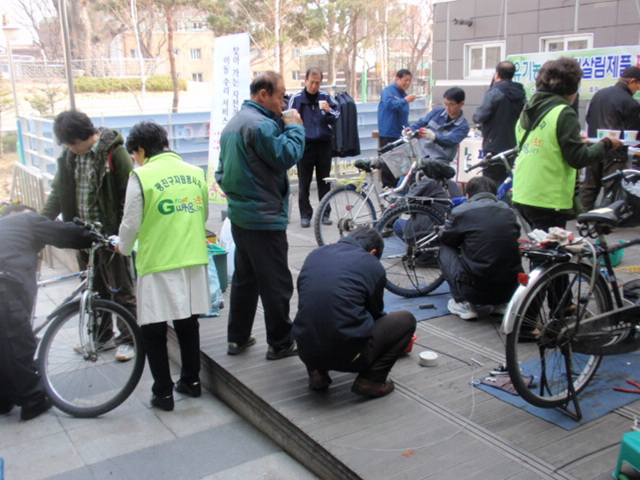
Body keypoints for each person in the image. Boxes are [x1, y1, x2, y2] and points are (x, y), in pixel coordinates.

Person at [115, 121, 210, 412]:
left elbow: (130, 222)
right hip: (193, 257)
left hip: (158, 261)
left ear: (141, 150)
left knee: (153, 330)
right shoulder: (195, 173)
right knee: (187, 322)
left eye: (134, 154)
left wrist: (123, 246)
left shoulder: (141, 177)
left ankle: (163, 393)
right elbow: (202, 214)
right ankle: (192, 382)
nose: (134, 159)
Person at [215, 72, 305, 361]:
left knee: (245, 279)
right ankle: (280, 342)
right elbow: (285, 156)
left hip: (240, 216)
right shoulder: (261, 125)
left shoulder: (234, 123)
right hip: (264, 218)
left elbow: (220, 174)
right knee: (276, 282)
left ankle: (237, 338)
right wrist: (295, 128)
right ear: (263, 94)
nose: (283, 103)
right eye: (280, 96)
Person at [41, 110, 137, 362]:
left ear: (87, 135)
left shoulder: (114, 154)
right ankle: (102, 336)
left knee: (122, 289)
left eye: (73, 143)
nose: (71, 148)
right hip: (83, 235)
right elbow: (57, 194)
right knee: (94, 289)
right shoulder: (69, 158)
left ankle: (129, 339)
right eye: (67, 144)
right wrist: (39, 223)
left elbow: (129, 196)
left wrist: (120, 235)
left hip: (110, 237)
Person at [293, 227, 416, 398]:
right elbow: (375, 313)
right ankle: (371, 380)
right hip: (351, 357)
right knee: (406, 320)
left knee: (315, 314)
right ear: (373, 252)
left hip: (306, 350)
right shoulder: (371, 263)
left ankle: (317, 373)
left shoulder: (316, 254)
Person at [0, 204, 95, 420]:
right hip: (6, 286)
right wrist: (91, 237)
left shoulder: (5, 226)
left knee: (4, 343)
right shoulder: (25, 219)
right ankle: (32, 400)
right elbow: (60, 232)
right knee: (19, 342)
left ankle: (4, 399)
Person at [512, 57, 623, 232]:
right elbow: (578, 158)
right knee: (551, 254)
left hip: (523, 192)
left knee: (539, 251)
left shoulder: (528, 110)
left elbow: (547, 145)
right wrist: (606, 144)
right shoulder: (563, 112)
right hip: (548, 197)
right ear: (571, 87)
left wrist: (579, 143)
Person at [438, 177, 522, 320]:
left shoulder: (461, 211)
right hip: (510, 289)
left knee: (444, 250)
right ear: (495, 195)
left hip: (474, 290)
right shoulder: (509, 211)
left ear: (468, 196)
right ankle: (501, 304)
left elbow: (446, 238)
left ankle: (464, 304)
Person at [580, 66, 640, 211]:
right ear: (632, 81)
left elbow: (588, 118)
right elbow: (633, 131)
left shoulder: (600, 94)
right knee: (612, 187)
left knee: (590, 185)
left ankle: (583, 216)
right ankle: (606, 219)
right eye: (638, 85)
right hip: (616, 152)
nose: (637, 90)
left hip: (595, 147)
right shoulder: (630, 103)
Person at [288, 67, 340, 228]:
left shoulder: (326, 97)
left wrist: (328, 110)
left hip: (324, 144)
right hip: (305, 145)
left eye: (318, 83)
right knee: (304, 182)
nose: (314, 86)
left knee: (324, 181)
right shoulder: (296, 98)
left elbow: (336, 116)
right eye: (312, 82)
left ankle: (325, 213)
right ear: (306, 80)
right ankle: (305, 215)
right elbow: (288, 118)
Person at [472, 61, 526, 184]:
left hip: (493, 144)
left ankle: (493, 202)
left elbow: (480, 116)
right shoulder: (521, 92)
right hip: (512, 143)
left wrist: (475, 117)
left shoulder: (495, 92)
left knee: (490, 182)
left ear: (497, 74)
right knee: (505, 180)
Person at [405, 87, 470, 164]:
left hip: (439, 161)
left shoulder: (463, 126)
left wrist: (434, 137)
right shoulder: (436, 113)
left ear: (461, 104)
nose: (447, 108)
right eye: (445, 103)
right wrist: (410, 129)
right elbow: (421, 123)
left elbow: (450, 141)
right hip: (421, 154)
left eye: (451, 104)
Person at [378, 69, 417, 187]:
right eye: (405, 80)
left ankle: (398, 186)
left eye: (409, 81)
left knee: (400, 162)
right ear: (398, 79)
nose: (407, 83)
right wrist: (405, 100)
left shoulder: (404, 95)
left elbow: (404, 116)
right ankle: (387, 187)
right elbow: (391, 105)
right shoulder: (388, 91)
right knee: (388, 162)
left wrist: (408, 128)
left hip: (400, 134)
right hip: (388, 132)